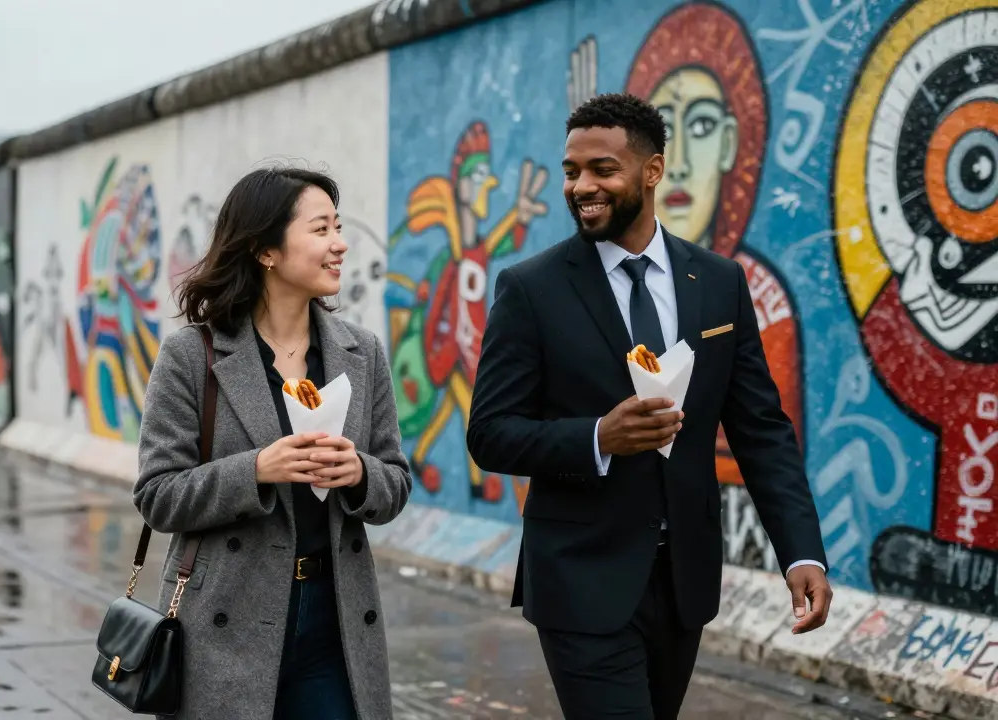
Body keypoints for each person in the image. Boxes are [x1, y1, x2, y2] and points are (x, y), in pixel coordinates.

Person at [465, 93, 832, 720]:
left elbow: (761, 430)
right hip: (580, 579)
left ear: (652, 171)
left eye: (603, 170)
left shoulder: (719, 282)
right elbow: (491, 434)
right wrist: (597, 438)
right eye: (572, 171)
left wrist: (800, 550)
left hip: (685, 578)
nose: (582, 186)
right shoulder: (530, 289)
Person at [134, 165, 411, 720]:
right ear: (266, 251)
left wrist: (358, 473)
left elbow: (396, 482)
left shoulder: (362, 351)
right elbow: (158, 495)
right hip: (224, 617)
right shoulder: (194, 355)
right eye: (322, 229)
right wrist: (257, 468)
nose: (340, 244)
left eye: (338, 228)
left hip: (335, 616)